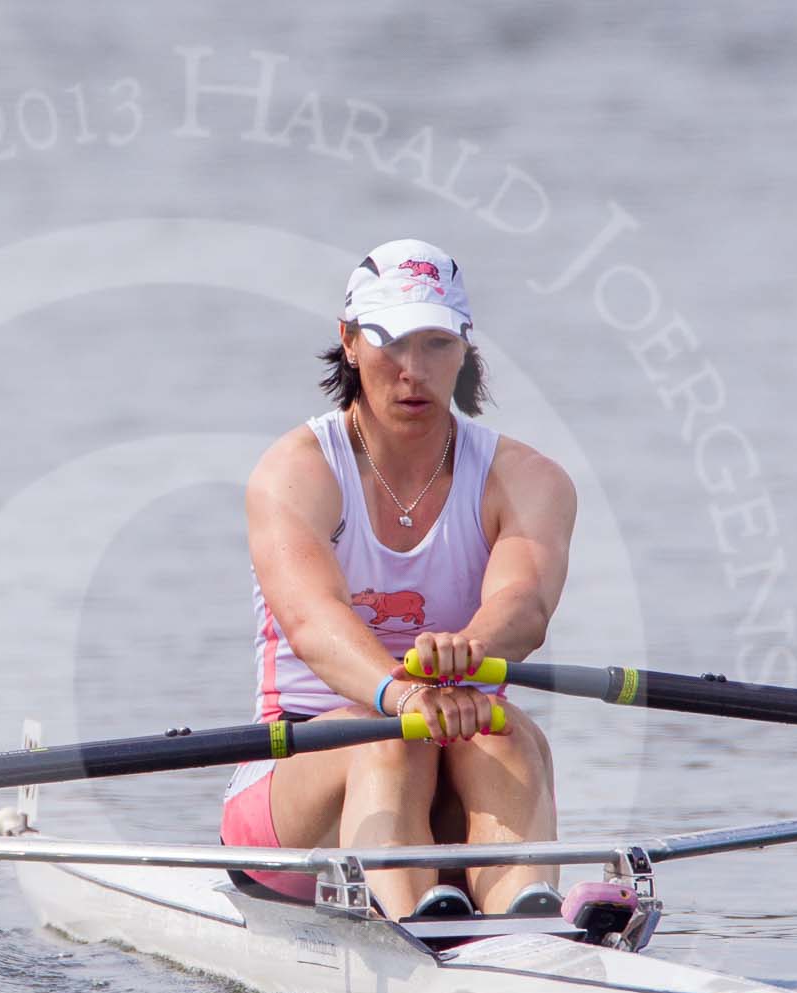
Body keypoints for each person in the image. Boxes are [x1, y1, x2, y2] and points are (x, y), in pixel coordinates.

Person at [220, 239, 577, 921]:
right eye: (390, 342)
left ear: (465, 348)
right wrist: (402, 692)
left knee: (508, 731)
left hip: (461, 755)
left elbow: (524, 607)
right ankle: (415, 928)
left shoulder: (531, 481)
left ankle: (525, 933)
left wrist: (468, 647)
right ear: (349, 340)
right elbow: (313, 624)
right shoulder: (296, 472)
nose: (413, 370)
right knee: (388, 735)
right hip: (295, 787)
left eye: (436, 343)